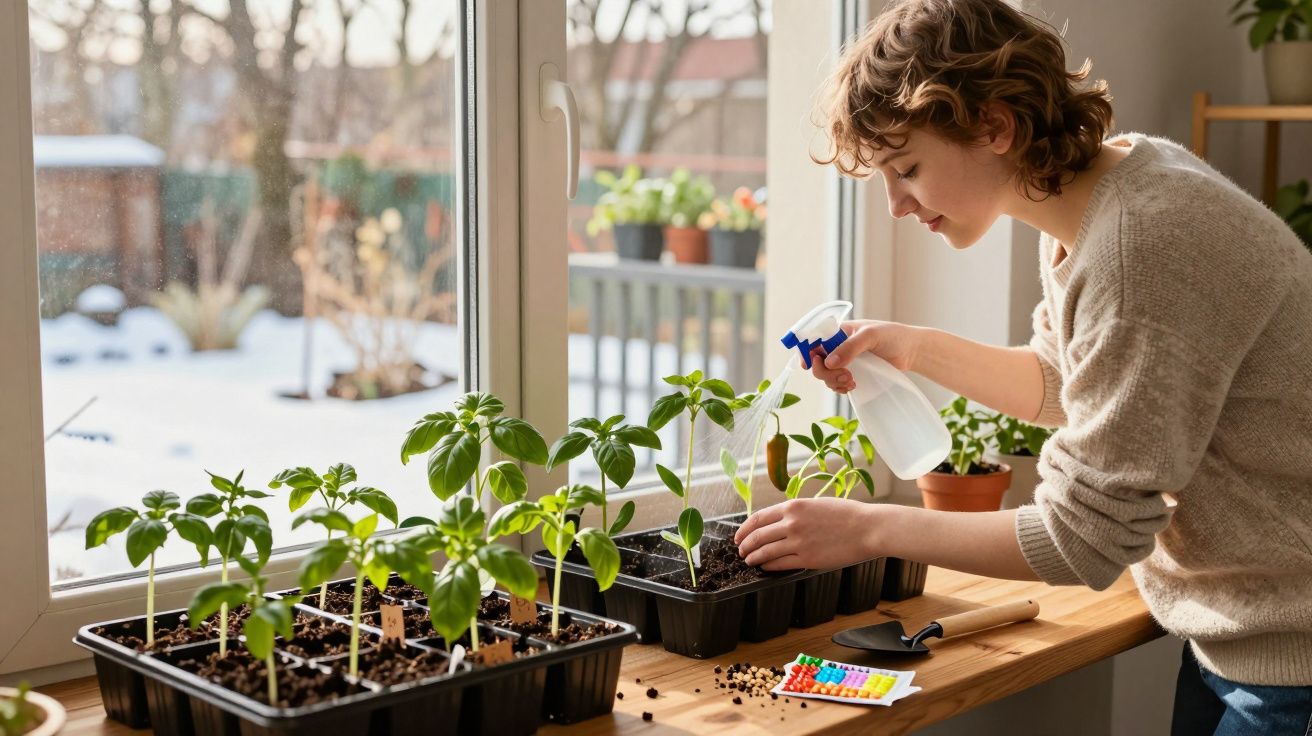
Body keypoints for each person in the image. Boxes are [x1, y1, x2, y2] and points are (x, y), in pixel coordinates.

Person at [732, 0, 1312, 732]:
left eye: (906, 168)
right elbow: (1071, 386)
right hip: (1240, 639)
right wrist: (911, 347)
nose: (896, 207)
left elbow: (1085, 537)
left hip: (1295, 655)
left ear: (994, 127)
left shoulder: (1142, 247)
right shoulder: (1104, 199)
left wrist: (868, 531)